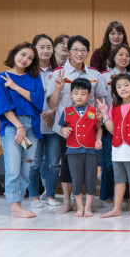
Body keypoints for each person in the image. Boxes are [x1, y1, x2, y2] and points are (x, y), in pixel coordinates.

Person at [46, 35, 101, 209]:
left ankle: (84, 203)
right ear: (68, 51)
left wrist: (100, 114)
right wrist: (58, 89)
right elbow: (51, 104)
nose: (79, 53)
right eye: (75, 49)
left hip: (88, 129)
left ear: (88, 52)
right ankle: (67, 202)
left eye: (83, 50)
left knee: (87, 168)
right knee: (67, 166)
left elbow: (100, 98)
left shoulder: (94, 74)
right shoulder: (57, 73)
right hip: (65, 130)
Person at [0, 41, 44, 218]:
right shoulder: (1, 77)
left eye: (30, 58)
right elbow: (3, 106)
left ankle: (19, 202)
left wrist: (15, 87)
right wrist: (19, 126)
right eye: (23, 54)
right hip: (12, 127)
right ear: (14, 54)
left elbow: (38, 101)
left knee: (27, 167)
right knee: (13, 168)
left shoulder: (35, 78)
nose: (25, 59)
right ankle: (15, 207)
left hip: (32, 127)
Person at [95, 44, 130, 206]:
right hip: (112, 129)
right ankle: (110, 199)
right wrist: (104, 114)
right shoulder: (104, 77)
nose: (124, 58)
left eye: (127, 55)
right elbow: (99, 99)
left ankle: (129, 202)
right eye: (120, 54)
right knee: (110, 168)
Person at [58, 78, 102, 218]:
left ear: (89, 95)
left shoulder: (93, 111)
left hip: (91, 150)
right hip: (73, 150)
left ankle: (88, 207)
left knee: (90, 178)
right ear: (71, 94)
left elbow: (98, 128)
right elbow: (61, 128)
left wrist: (98, 140)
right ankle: (79, 207)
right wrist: (64, 130)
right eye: (76, 93)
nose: (79, 96)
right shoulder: (67, 111)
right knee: (76, 179)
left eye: (83, 94)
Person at [28, 34, 61, 209]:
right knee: (34, 162)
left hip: (54, 125)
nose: (46, 50)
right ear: (34, 48)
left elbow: (61, 99)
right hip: (34, 125)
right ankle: (33, 196)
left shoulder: (57, 72)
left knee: (54, 163)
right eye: (42, 47)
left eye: (49, 47)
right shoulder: (27, 72)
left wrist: (52, 113)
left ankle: (50, 195)